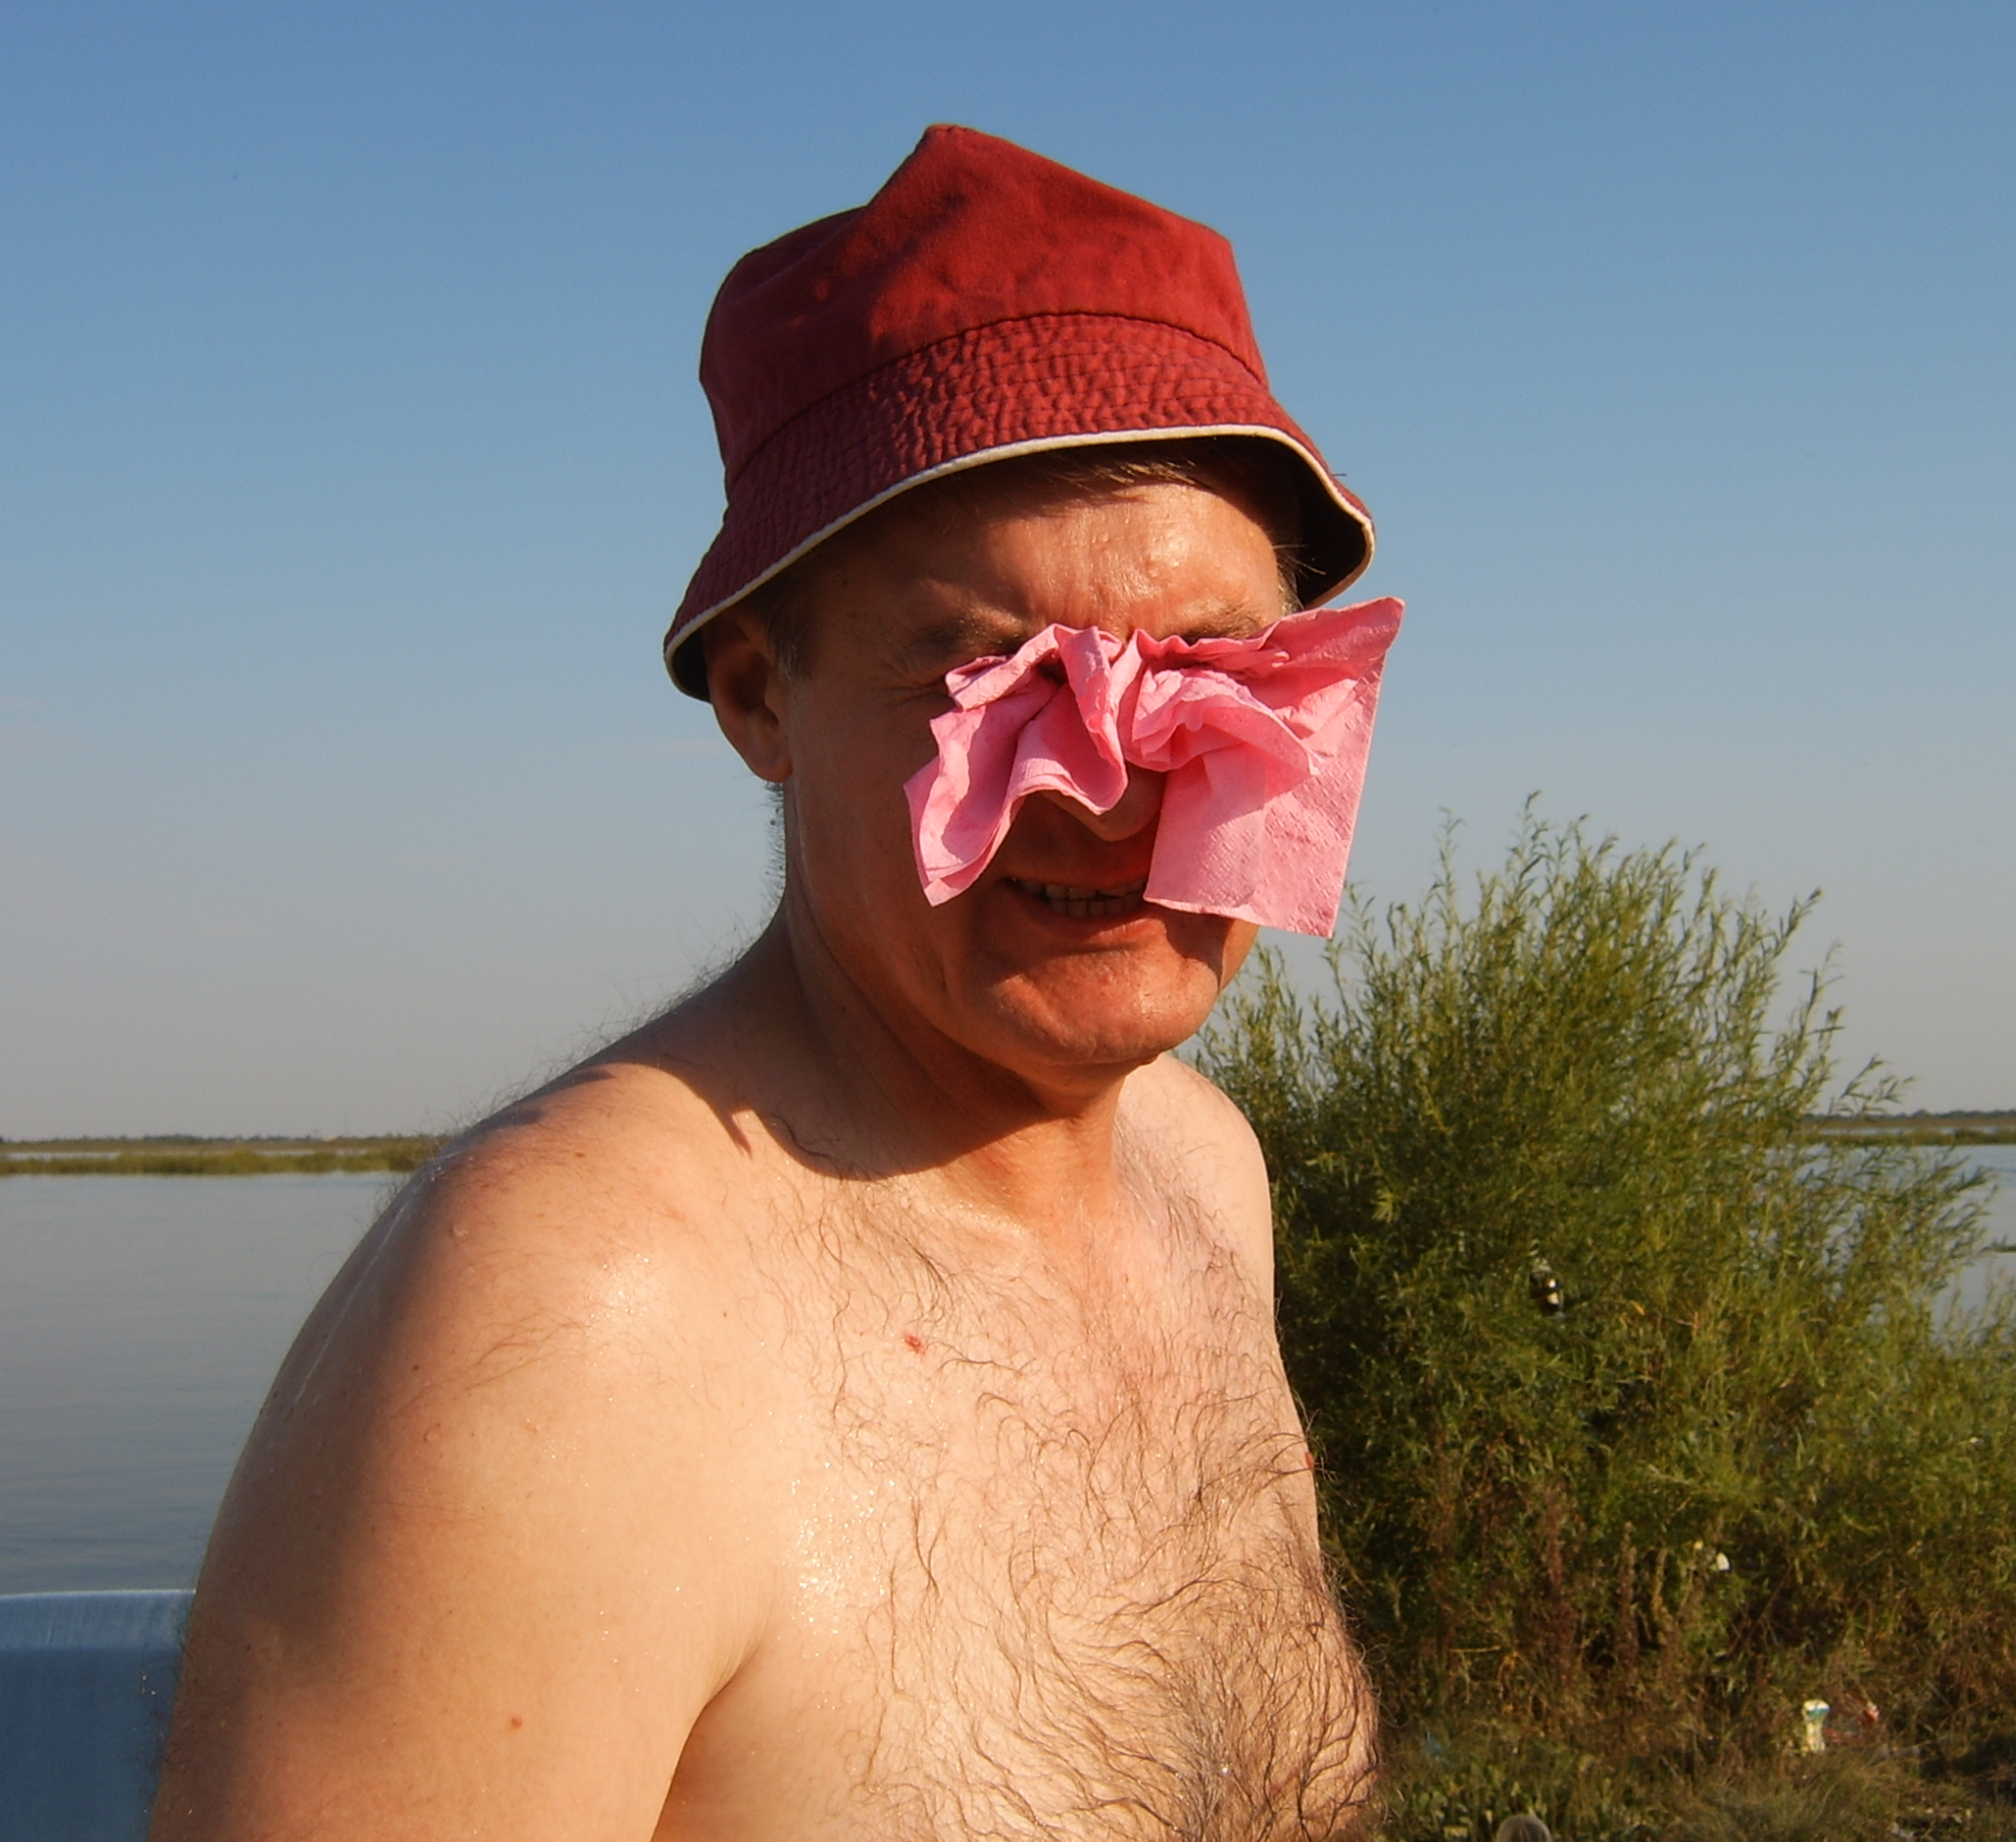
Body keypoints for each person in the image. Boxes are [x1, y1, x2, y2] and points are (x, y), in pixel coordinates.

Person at [153, 125, 1402, 1841]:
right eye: (996, 671)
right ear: (758, 697)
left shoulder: (1206, 1176)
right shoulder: (574, 1320)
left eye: (1203, 666)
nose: (1113, 792)